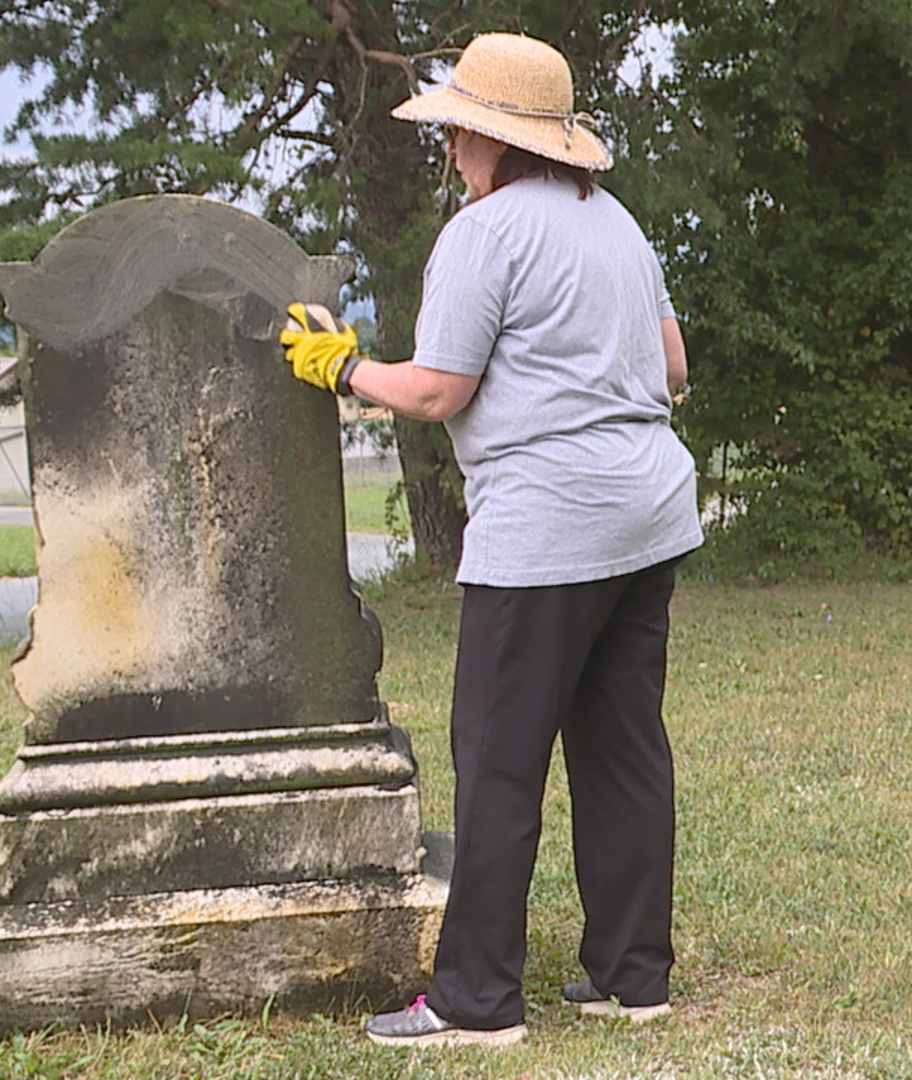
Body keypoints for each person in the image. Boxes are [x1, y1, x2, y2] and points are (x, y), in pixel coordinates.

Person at [280, 32, 702, 1049]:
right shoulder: (620, 225)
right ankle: (631, 978)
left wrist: (341, 367)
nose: (453, 150)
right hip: (649, 515)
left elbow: (437, 390)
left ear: (488, 136)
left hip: (548, 523)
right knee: (623, 747)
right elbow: (675, 367)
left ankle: (475, 1003)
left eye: (460, 131)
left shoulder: (484, 232)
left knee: (501, 760)